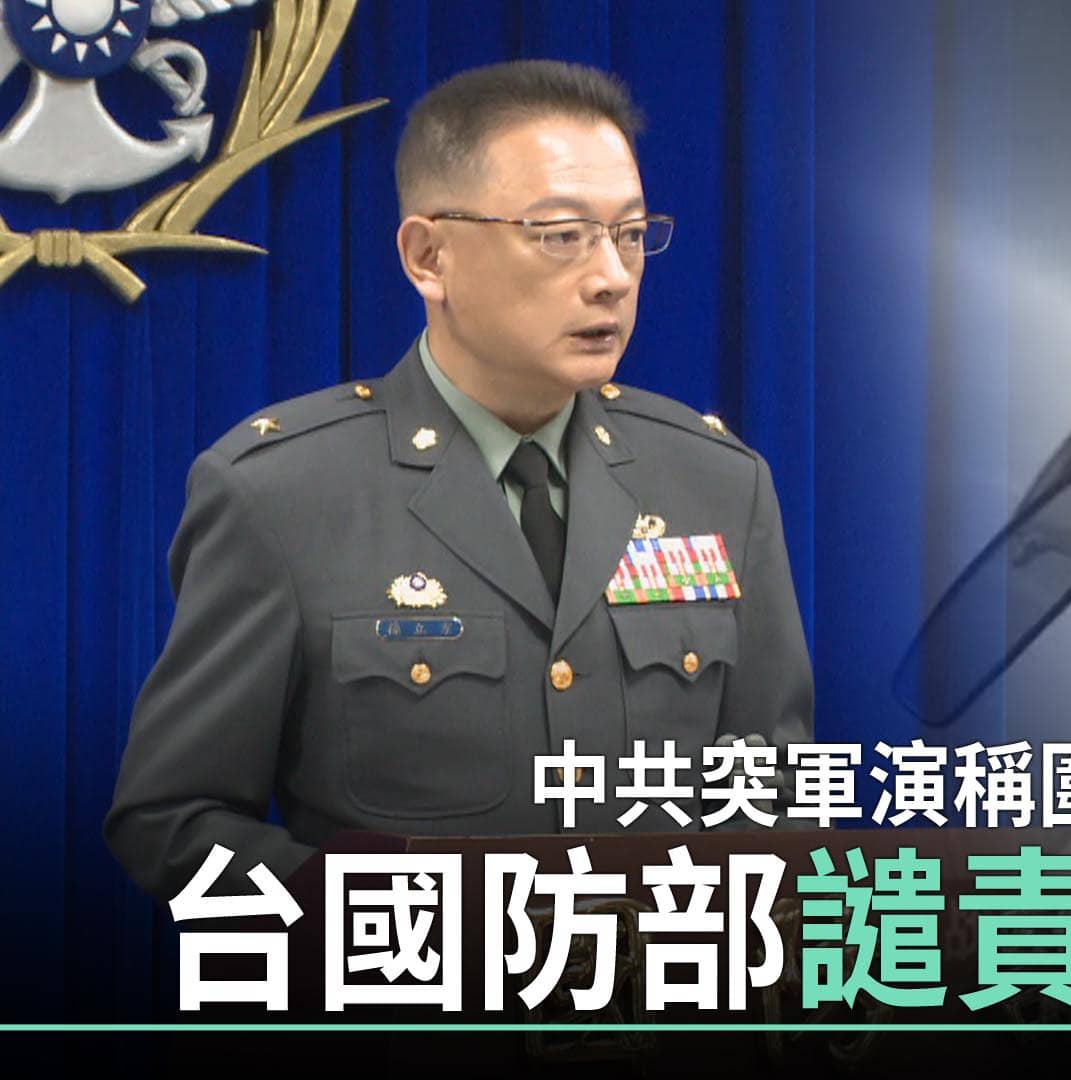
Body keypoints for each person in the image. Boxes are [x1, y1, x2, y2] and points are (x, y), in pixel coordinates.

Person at [105, 60, 814, 901]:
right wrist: (407, 929)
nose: (612, 276)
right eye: (561, 234)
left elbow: (776, 799)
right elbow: (172, 819)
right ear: (429, 256)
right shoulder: (284, 495)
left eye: (629, 234)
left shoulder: (716, 483)